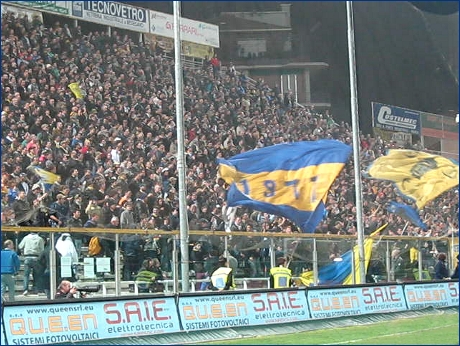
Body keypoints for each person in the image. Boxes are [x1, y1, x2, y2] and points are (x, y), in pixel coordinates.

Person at [18, 231, 45, 295]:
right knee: (37, 275)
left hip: (27, 257)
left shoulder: (26, 238)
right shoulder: (40, 239)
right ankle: (37, 289)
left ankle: (25, 290)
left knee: (26, 275)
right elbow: (42, 249)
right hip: (36, 258)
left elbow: (20, 246)